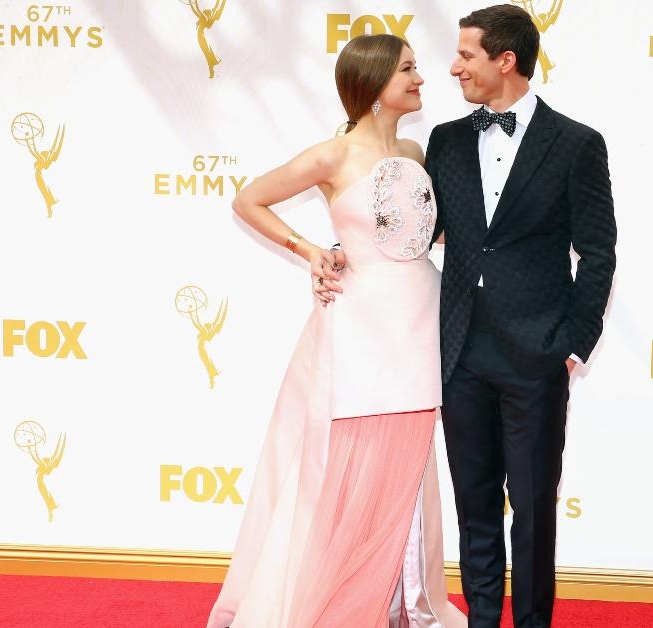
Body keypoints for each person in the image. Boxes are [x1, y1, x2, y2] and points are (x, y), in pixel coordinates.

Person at [318, 5, 617, 626]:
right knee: (475, 505)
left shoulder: (577, 144)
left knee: (533, 508)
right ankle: (482, 619)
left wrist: (572, 342)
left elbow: (598, 251)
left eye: (466, 56)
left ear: (505, 61)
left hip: (536, 353)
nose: (451, 69)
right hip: (456, 351)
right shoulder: (447, 142)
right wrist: (344, 251)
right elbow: (416, 230)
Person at [206, 34, 466, 628]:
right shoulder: (334, 154)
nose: (421, 77)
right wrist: (310, 251)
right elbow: (250, 200)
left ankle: (406, 599)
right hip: (360, 323)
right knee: (348, 458)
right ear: (374, 85)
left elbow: (425, 234)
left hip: (420, 316)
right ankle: (344, 596)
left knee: (411, 456)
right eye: (407, 69)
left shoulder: (419, 154)